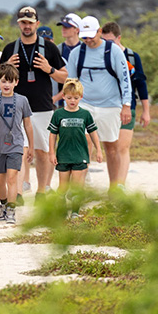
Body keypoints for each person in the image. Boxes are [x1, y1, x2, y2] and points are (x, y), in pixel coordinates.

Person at [0, 6, 68, 199]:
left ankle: (41, 191)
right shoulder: (10, 49)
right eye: (23, 22)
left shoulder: (49, 48)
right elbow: (0, 80)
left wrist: (49, 69)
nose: (27, 26)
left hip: (43, 108)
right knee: (18, 151)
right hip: (15, 108)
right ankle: (19, 192)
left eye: (30, 22)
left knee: (43, 151)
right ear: (18, 24)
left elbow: (64, 77)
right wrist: (8, 67)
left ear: (37, 23)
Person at [64, 15, 132, 190]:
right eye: (84, 36)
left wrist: (126, 105)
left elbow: (125, 80)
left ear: (100, 32)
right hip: (84, 104)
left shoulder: (114, 51)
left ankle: (115, 188)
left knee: (111, 147)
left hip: (110, 105)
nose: (88, 40)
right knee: (82, 144)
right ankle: (80, 187)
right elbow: (71, 82)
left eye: (91, 36)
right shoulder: (76, 54)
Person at [0, 63, 34, 225]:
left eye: (10, 81)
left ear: (16, 82)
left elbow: (28, 124)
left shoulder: (22, 100)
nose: (6, 85)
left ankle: (11, 209)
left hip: (16, 145)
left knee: (12, 178)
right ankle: (3, 205)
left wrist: (31, 146)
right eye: (3, 81)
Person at [100, 21, 151, 187]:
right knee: (110, 148)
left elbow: (141, 85)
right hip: (107, 107)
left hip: (128, 107)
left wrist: (146, 111)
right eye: (104, 40)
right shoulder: (100, 56)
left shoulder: (131, 57)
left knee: (123, 147)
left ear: (118, 38)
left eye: (110, 41)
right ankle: (113, 183)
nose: (107, 45)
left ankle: (119, 186)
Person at [48, 78, 102, 218]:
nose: (72, 101)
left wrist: (99, 150)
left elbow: (93, 133)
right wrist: (52, 153)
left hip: (80, 155)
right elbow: (53, 135)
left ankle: (75, 213)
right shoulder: (58, 114)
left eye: (76, 98)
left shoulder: (85, 114)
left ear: (81, 97)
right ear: (64, 96)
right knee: (63, 188)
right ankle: (61, 211)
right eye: (69, 98)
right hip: (63, 155)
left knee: (77, 187)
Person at [53, 13, 82, 107]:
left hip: (82, 100)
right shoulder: (57, 50)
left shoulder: (84, 50)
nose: (63, 29)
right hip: (61, 103)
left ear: (77, 30)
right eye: (63, 26)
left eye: (67, 27)